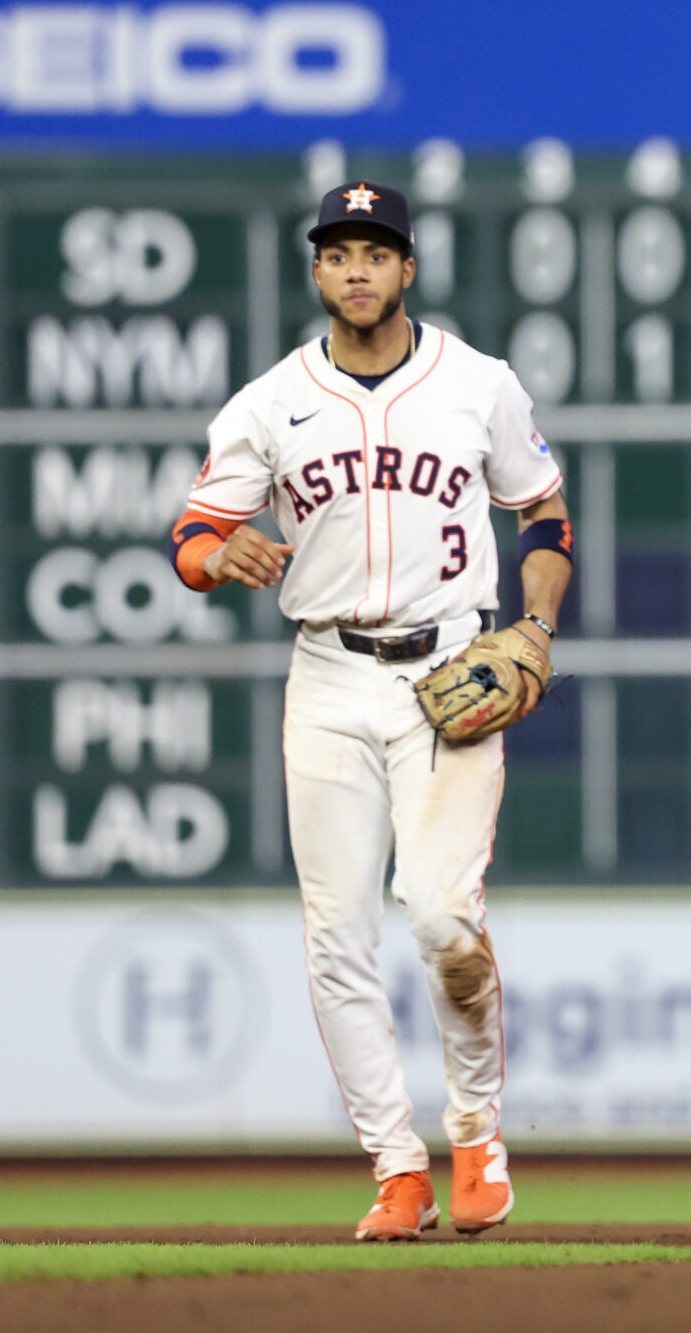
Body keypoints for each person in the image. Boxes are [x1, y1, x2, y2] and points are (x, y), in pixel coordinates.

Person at [168, 183, 570, 1241]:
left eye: (376, 252)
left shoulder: (475, 383)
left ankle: (476, 1125)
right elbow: (192, 535)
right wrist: (219, 552)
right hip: (328, 675)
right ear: (317, 273)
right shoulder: (269, 402)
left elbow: (543, 509)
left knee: (439, 914)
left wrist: (532, 625)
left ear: (407, 272)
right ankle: (398, 1168)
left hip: (448, 669)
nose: (357, 269)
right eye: (339, 252)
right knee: (336, 937)